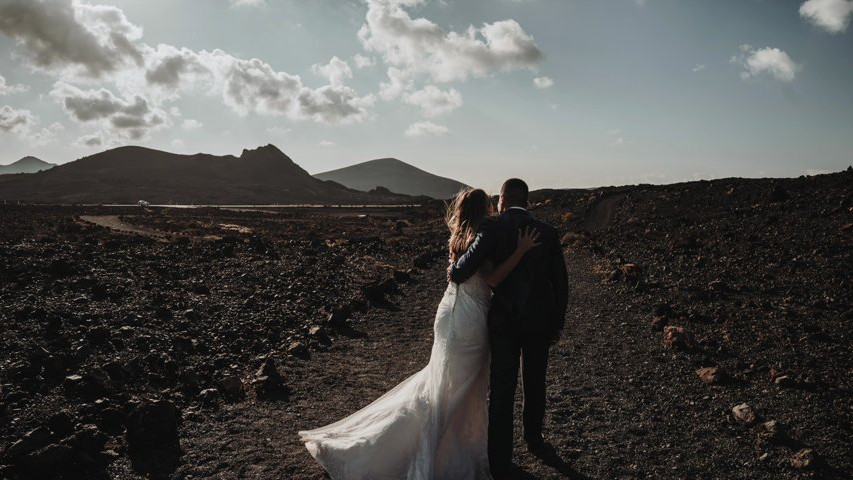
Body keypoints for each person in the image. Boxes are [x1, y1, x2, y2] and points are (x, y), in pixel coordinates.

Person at [299, 187, 541, 479]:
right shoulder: (483, 235)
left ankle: (443, 446)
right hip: (466, 319)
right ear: (483, 210)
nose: (494, 208)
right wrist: (521, 250)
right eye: (490, 205)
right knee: (451, 390)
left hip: (453, 311)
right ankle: (416, 450)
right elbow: (491, 277)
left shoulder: (464, 237)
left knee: (443, 386)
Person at [449, 178, 569, 478]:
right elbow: (561, 282)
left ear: (501, 199)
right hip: (540, 320)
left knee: (502, 389)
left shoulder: (492, 228)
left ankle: (500, 458)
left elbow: (464, 269)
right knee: (535, 379)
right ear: (527, 201)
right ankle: (534, 439)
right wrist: (558, 321)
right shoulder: (549, 233)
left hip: (503, 321)